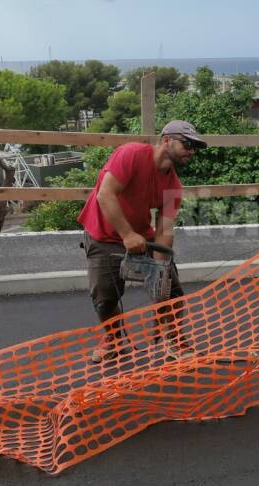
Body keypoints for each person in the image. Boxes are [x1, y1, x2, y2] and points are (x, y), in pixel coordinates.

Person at [77, 120, 207, 363]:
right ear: (166, 139)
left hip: (140, 236)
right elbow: (105, 194)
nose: (191, 151)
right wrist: (127, 235)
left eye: (195, 147)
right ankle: (113, 339)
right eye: (187, 144)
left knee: (171, 291)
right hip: (103, 233)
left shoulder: (173, 186)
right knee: (104, 297)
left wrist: (160, 272)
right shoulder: (132, 154)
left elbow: (164, 230)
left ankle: (175, 340)